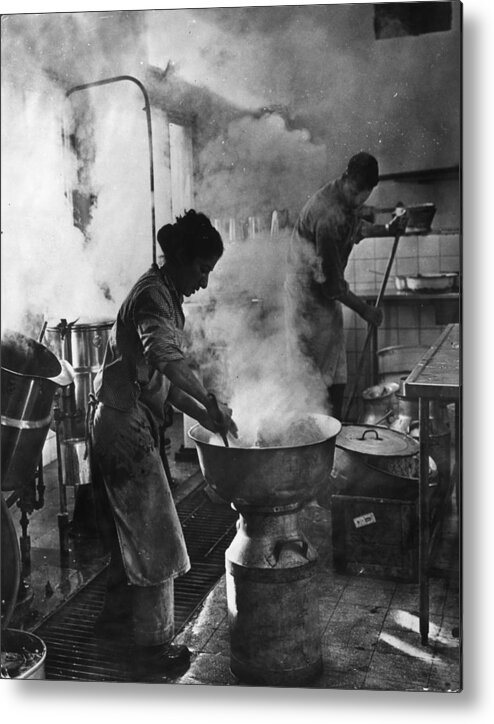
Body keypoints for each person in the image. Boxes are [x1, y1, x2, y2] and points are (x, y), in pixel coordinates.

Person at [89, 210, 237, 680]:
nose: (205, 281)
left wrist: (210, 418)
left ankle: (115, 625)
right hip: (121, 423)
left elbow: (168, 388)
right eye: (202, 269)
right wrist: (210, 398)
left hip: (124, 418)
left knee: (127, 534)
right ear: (180, 259)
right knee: (155, 535)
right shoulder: (153, 295)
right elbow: (165, 361)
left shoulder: (167, 295)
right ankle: (151, 648)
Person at [284, 151, 407, 420]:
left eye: (364, 194)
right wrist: (366, 310)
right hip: (307, 303)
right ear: (349, 180)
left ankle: (333, 432)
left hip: (324, 301)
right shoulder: (325, 215)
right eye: (359, 192)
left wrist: (389, 229)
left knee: (336, 371)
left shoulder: (345, 199)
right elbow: (333, 287)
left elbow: (356, 228)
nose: (360, 199)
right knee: (314, 381)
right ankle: (318, 438)